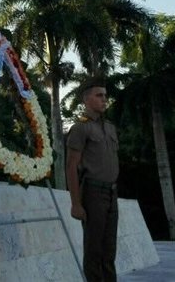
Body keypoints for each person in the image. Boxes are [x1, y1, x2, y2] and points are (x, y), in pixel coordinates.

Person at [66, 80, 119, 282]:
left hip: (111, 193)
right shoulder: (80, 128)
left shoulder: (110, 128)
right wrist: (76, 203)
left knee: (109, 251)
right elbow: (71, 166)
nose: (104, 99)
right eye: (99, 95)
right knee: (94, 251)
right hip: (93, 193)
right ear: (86, 99)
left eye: (105, 95)